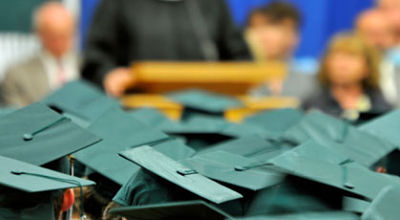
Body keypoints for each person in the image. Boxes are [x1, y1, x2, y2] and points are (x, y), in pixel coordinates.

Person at [81, 0, 252, 97]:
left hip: (207, 114)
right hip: (141, 113)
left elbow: (240, 56)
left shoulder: (209, 5)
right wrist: (109, 74)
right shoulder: (120, 3)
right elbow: (97, 56)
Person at [1, 2, 79, 107]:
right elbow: (17, 118)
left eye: (65, 35)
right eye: (54, 37)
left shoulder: (89, 67)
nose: (60, 43)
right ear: (40, 34)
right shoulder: (17, 76)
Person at [303, 33, 392, 121]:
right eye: (337, 58)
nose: (343, 65)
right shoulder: (313, 105)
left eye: (351, 58)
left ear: (367, 68)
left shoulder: (380, 105)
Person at [246, 1, 318, 102]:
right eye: (256, 28)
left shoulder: (312, 80)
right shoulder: (235, 78)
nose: (263, 36)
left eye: (273, 28)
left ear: (294, 37)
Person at [356, 9, 400, 106]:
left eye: (384, 33)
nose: (378, 40)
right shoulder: (348, 65)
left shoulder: (397, 61)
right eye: (371, 34)